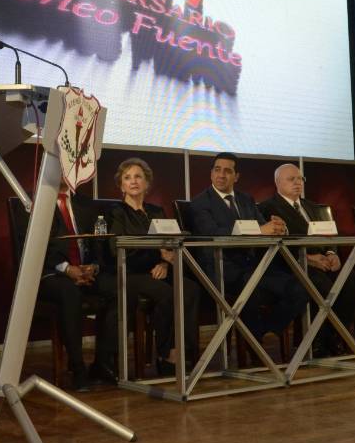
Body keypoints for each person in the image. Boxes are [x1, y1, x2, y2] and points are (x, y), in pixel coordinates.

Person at [188, 152, 308, 345]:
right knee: (252, 293)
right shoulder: (200, 203)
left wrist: (278, 227)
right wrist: (261, 230)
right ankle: (255, 349)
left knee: (300, 286)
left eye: (227, 171)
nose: (221, 175)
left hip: (252, 266)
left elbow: (263, 226)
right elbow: (213, 233)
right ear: (211, 173)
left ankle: (268, 330)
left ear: (236, 177)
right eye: (217, 170)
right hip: (221, 269)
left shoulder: (246, 200)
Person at [258, 163, 355, 355]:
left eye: (300, 179)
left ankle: (331, 335)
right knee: (321, 286)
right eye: (291, 179)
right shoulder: (266, 208)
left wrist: (331, 254)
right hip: (293, 265)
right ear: (277, 182)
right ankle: (314, 343)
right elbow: (273, 248)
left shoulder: (314, 207)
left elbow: (329, 237)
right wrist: (309, 258)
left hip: (324, 263)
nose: (297, 183)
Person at [105, 158, 200, 376]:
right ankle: (166, 354)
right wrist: (157, 254)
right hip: (130, 272)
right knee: (168, 293)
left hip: (157, 269)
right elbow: (116, 247)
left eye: (138, 176)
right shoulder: (116, 212)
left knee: (191, 289)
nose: (133, 181)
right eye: (127, 178)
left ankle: (180, 350)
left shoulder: (156, 211)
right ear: (121, 185)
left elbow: (169, 244)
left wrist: (164, 262)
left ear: (147, 183)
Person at [38, 184, 119, 391]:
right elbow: (31, 247)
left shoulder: (85, 203)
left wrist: (93, 266)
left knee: (118, 288)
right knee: (69, 292)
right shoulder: (34, 202)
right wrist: (67, 269)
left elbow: (98, 243)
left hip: (85, 270)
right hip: (51, 273)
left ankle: (102, 362)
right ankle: (78, 368)